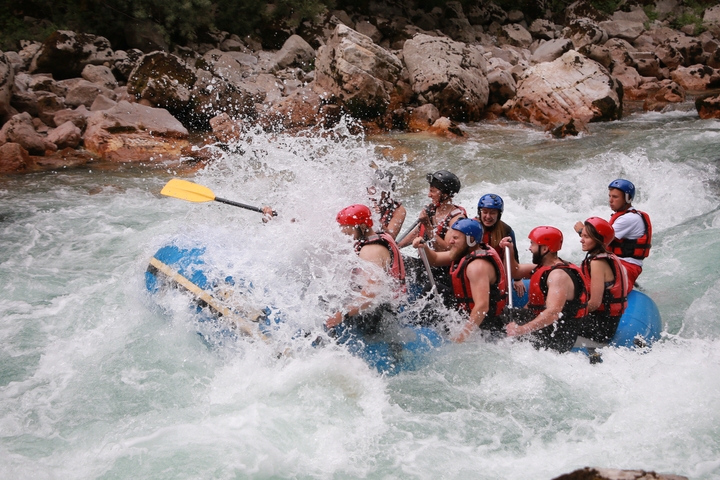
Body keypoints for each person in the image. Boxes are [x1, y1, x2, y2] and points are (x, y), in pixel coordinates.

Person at [413, 218, 507, 342]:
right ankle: (412, 326)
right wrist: (424, 247)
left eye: (456, 238)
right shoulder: (465, 251)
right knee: (432, 288)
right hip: (464, 309)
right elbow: (434, 259)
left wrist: (461, 337)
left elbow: (482, 307)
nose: (450, 242)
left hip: (485, 325)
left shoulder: (477, 266)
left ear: (471, 240)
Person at [500, 226, 590, 353]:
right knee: (498, 314)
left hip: (557, 336)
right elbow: (515, 272)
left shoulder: (558, 275)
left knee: (502, 329)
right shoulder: (545, 267)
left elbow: (552, 314)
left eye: (533, 244)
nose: (530, 248)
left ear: (545, 249)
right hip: (545, 326)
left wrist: (520, 330)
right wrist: (509, 250)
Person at [325, 204, 406, 334]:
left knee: (326, 315)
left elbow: (371, 295)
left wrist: (341, 315)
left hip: (382, 313)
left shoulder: (370, 250)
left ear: (362, 227)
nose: (346, 235)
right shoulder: (381, 235)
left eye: (349, 231)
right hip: (392, 302)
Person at [574, 179, 652, 291]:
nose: (610, 200)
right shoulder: (624, 215)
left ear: (627, 198)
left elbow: (600, 241)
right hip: (618, 263)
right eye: (609, 196)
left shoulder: (629, 219)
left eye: (615, 197)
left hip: (627, 266)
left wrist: (581, 231)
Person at [576, 217, 629, 346]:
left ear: (599, 241)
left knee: (553, 317)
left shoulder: (597, 263)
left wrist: (567, 313)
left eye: (586, 237)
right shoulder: (609, 256)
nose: (581, 240)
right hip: (603, 321)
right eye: (582, 235)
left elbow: (594, 303)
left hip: (601, 328)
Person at [397, 170, 466, 252]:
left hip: (442, 264)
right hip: (425, 261)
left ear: (445, 194)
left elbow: (447, 251)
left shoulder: (456, 218)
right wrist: (394, 248)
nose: (429, 195)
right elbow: (415, 233)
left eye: (432, 191)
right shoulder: (431, 210)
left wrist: (427, 225)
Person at [474, 193, 525, 297]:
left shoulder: (506, 230)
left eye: (492, 213)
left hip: (496, 274)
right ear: (479, 212)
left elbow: (514, 255)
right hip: (475, 271)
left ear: (499, 214)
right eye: (485, 212)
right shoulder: (471, 227)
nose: (488, 216)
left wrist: (517, 279)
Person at [367, 169, 406, 239]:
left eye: (379, 188)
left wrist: (375, 218)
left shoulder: (397, 209)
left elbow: (390, 238)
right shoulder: (361, 201)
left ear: (388, 193)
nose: (374, 191)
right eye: (373, 186)